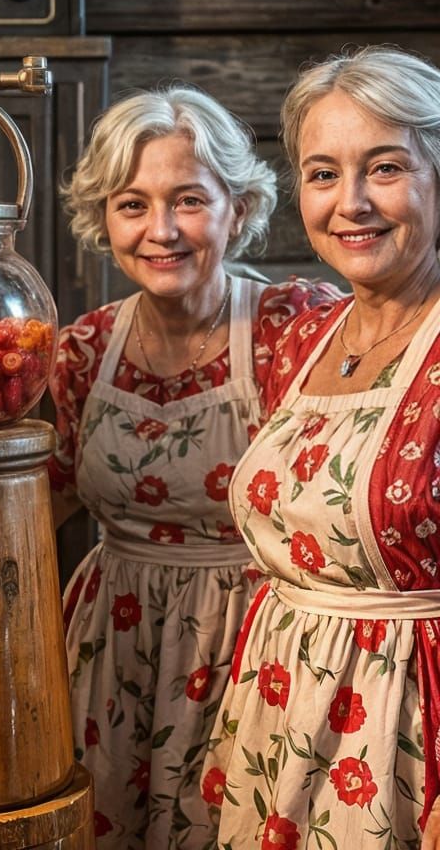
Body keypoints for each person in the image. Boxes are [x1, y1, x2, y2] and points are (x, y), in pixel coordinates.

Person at [50, 85, 338, 848]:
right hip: (111, 642)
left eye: (188, 200)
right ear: (102, 218)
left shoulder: (291, 327)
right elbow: (40, 507)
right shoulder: (82, 350)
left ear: (237, 210)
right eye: (132, 204)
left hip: (250, 639)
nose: (161, 230)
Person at [203, 46, 440, 848]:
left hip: (405, 743)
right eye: (323, 173)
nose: (352, 203)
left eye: (383, 168)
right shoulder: (304, 336)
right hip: (278, 721)